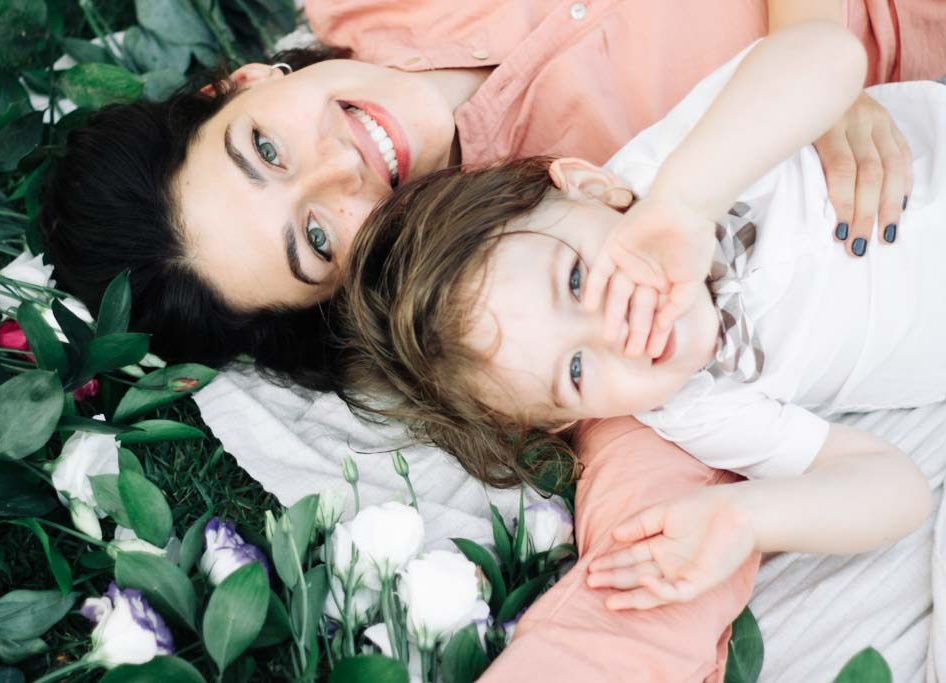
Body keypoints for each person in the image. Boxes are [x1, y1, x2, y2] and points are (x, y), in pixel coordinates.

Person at [337, 23, 939, 609]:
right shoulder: (694, 407)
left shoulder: (670, 167)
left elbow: (827, 56)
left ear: (594, 189)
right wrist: (746, 518)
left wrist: (688, 202)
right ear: (567, 418)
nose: (613, 333)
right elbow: (897, 489)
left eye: (575, 280)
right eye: (575, 370)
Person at [39, 1, 945, 387]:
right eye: (315, 237)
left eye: (265, 146)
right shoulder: (569, 230)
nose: (336, 166)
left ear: (236, 83)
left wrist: (816, 50)